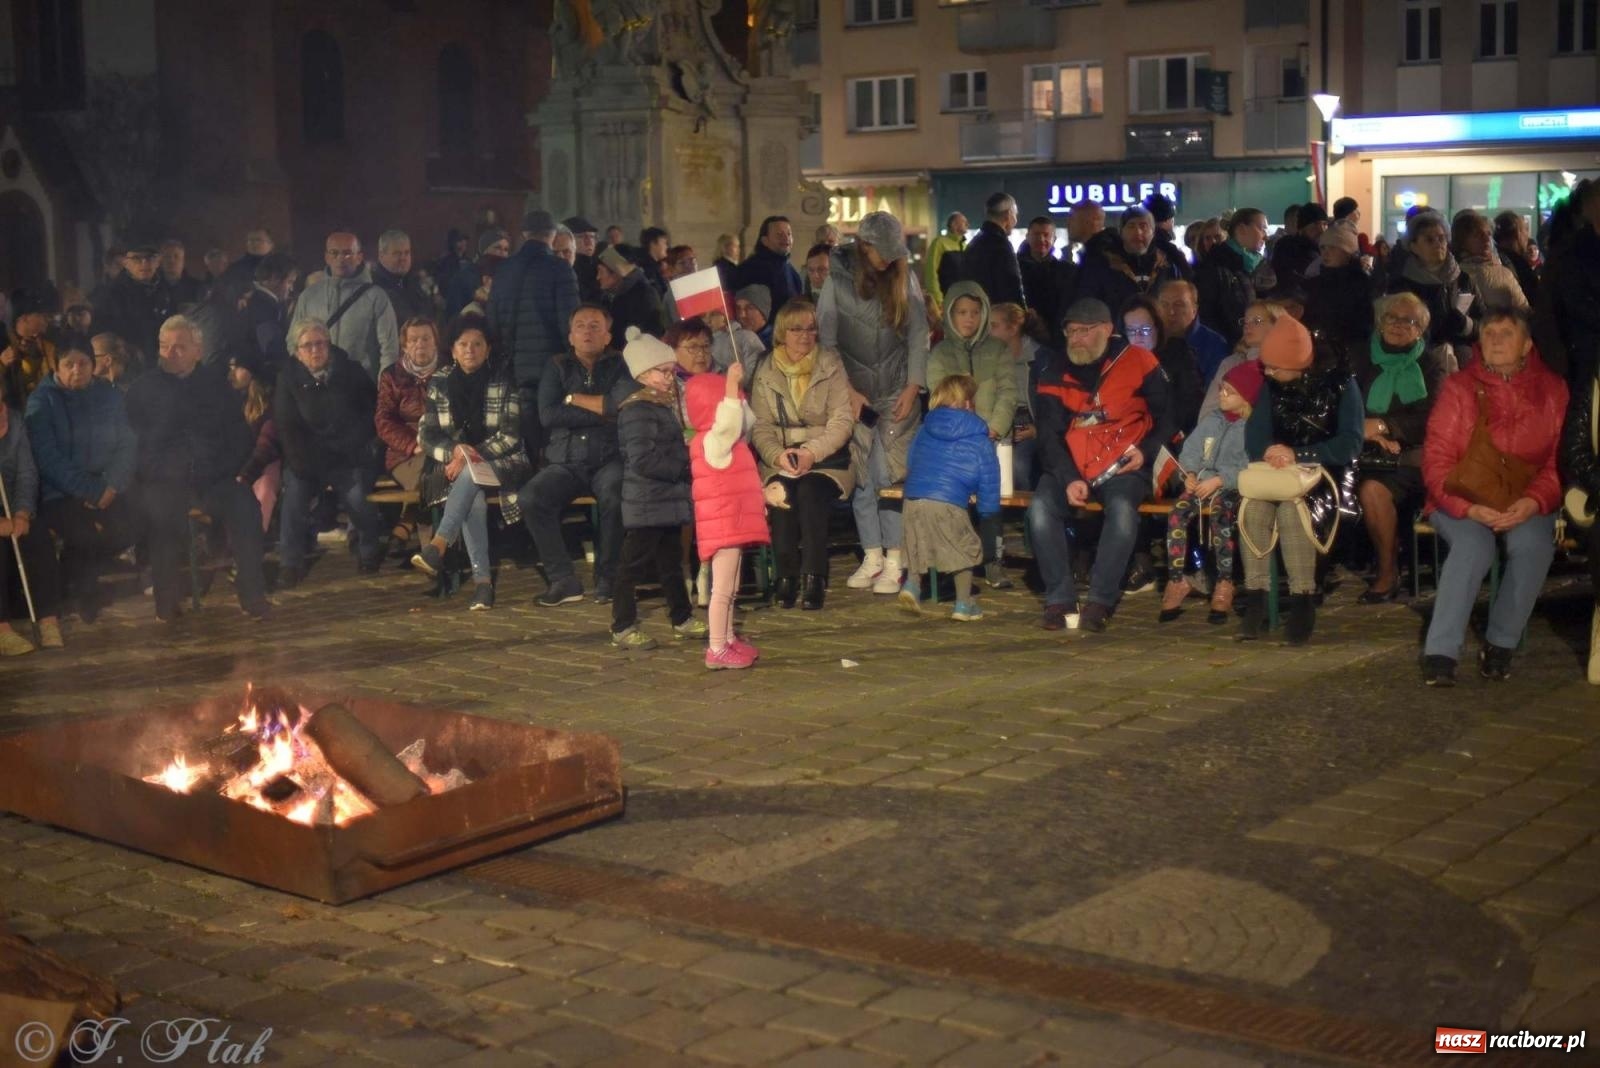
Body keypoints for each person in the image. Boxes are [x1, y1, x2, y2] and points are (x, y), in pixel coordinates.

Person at [1421, 307, 1566, 685]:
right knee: (1474, 548)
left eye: (1507, 333)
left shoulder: (1552, 390)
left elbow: (1558, 461)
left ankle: (1501, 642)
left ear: (1527, 344)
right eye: (1489, 334)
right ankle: (1441, 651)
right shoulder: (1458, 388)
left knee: (1534, 545)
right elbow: (1436, 460)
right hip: (1461, 496)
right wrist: (1468, 508)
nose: (1497, 340)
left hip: (1525, 498)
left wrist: (1534, 501)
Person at [1028, 297, 1174, 632]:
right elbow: (1048, 435)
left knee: (1122, 511)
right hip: (1071, 462)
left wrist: (1146, 452)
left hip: (1124, 462)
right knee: (1039, 510)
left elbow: (1168, 418)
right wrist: (1067, 478)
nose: (1075, 338)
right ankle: (1060, 599)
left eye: (1084, 330)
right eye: (1070, 331)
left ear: (1107, 330)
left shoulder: (1139, 361)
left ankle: (1100, 601)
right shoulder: (1053, 369)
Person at [125, 316, 270, 622]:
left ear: (198, 351)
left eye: (179, 347)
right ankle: (166, 602)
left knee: (246, 508)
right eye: (164, 346)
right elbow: (133, 442)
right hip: (164, 480)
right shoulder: (143, 388)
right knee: (162, 520)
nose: (170, 353)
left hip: (214, 478)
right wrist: (158, 471)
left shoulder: (217, 385)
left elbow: (239, 437)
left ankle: (252, 593)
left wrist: (226, 470)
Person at [818, 211, 929, 596]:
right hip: (854, 392)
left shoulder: (904, 278)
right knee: (863, 476)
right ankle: (872, 554)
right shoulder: (835, 282)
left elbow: (918, 337)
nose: (889, 259)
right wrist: (846, 390)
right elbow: (827, 342)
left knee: (890, 476)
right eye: (883, 252)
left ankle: (896, 557)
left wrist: (914, 386)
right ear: (864, 247)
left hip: (898, 390)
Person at [1237, 315, 1363, 645]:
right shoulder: (1272, 386)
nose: (1268, 373)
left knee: (1296, 512)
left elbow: (1350, 443)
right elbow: (1256, 437)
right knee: (1255, 508)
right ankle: (1256, 596)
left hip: (1327, 472)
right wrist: (1273, 453)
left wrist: (1301, 454)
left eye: (1276, 368)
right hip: (1280, 469)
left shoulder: (1340, 384)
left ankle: (1303, 599)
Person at [411, 324, 529, 611]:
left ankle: (439, 543)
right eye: (463, 344)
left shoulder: (503, 380)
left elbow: (511, 436)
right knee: (472, 496)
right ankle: (483, 584)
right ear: (452, 350)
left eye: (477, 344)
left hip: (501, 462)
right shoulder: (440, 381)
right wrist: (456, 451)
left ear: (487, 349)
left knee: (469, 476)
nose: (470, 350)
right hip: (455, 465)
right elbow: (426, 434)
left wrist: (472, 454)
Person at [520, 305, 633, 605]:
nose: (587, 331)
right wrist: (601, 412)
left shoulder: (622, 364)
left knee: (615, 495)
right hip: (566, 461)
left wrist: (573, 400)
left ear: (607, 335)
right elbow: (548, 414)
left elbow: (619, 406)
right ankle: (563, 579)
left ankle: (607, 577)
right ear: (570, 336)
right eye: (580, 326)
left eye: (595, 325)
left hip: (609, 458)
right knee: (531, 498)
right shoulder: (556, 366)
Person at [749, 298, 855, 610]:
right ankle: (786, 577)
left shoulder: (830, 364)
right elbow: (760, 426)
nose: (805, 336)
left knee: (809, 491)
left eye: (811, 329)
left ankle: (814, 577)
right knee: (781, 493)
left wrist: (811, 451)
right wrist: (778, 456)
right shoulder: (765, 370)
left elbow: (841, 420)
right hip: (780, 458)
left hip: (826, 457)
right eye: (796, 329)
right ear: (782, 333)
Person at [1347, 292, 1454, 603]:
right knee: (1372, 490)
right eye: (1391, 318)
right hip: (1371, 454)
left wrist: (1385, 426)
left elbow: (1432, 415)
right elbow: (1346, 405)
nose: (1397, 325)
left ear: (1420, 329)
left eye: (1408, 321)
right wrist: (1369, 432)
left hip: (1421, 456)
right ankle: (1387, 569)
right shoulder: (1361, 357)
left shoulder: (1432, 363)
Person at [23, 347, 134, 626]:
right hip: (58, 492)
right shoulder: (41, 401)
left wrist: (111, 485)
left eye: (83, 363)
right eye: (68, 364)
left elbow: (127, 444)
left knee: (136, 521)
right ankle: (85, 596)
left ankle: (71, 575)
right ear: (56, 367)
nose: (77, 370)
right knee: (83, 533)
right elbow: (47, 458)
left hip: (106, 486)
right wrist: (90, 490)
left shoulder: (109, 395)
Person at [609, 329, 705, 649]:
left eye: (670, 371)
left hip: (663, 500)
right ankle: (622, 624)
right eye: (664, 371)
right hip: (648, 500)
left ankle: (681, 616)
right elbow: (642, 458)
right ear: (643, 374)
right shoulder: (639, 408)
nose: (670, 377)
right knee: (631, 565)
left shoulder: (658, 405)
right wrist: (682, 468)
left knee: (670, 562)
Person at [274, 320, 385, 586]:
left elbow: (370, 412)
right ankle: (290, 562)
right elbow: (286, 425)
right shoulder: (288, 379)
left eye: (320, 343)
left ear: (330, 344)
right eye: (308, 345)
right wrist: (302, 464)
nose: (315, 350)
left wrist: (354, 445)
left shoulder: (351, 371)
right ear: (297, 351)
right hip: (306, 458)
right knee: (294, 500)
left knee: (358, 499)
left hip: (345, 454)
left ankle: (369, 549)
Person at [927, 281, 1018, 587]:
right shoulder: (939, 354)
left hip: (991, 439)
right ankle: (956, 561)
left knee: (990, 498)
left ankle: (993, 560)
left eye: (975, 312)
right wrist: (968, 434)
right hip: (953, 444)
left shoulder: (999, 350)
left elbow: (1008, 392)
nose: (969, 319)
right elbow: (940, 400)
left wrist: (994, 427)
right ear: (950, 315)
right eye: (962, 312)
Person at [1161, 361, 1261, 623]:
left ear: (1246, 397)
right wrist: (1190, 474)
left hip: (1231, 487)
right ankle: (1176, 579)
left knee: (1221, 515)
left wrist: (1220, 480)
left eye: (1229, 391)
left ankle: (1225, 581)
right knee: (1178, 513)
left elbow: (1248, 465)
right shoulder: (1212, 420)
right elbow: (1192, 449)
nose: (1222, 395)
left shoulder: (1251, 427)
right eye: (1221, 389)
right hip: (1202, 483)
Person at [896, 373, 1001, 622]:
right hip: (948, 500)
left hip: (914, 497)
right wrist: (989, 515)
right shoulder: (979, 438)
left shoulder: (924, 429)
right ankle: (964, 604)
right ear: (966, 403)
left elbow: (910, 462)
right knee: (963, 548)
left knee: (917, 542)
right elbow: (988, 481)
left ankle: (912, 585)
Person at [684, 363, 769, 668]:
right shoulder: (713, 441)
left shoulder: (731, 443)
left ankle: (729, 639)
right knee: (721, 591)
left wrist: (739, 396)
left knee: (731, 588)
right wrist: (732, 387)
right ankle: (716, 648)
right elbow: (730, 422)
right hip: (723, 527)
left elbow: (741, 421)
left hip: (733, 524)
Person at [490, 209, 582, 459]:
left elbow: (493, 322)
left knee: (524, 435)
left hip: (514, 368)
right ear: (553, 235)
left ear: (524, 233)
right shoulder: (560, 269)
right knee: (552, 435)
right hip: (551, 367)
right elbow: (571, 324)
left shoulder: (504, 270)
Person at [0, 377, 63, 652]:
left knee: (37, 537)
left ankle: (48, 620)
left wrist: (22, 513)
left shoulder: (14, 421)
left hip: (11, 508)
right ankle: (2, 628)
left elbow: (26, 472)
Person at [288, 232, 400, 382]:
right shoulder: (309, 296)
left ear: (359, 257)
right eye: (334, 253)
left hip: (361, 386)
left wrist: (384, 390)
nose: (340, 258)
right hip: (317, 388)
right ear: (326, 257)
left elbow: (389, 349)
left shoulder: (376, 297)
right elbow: (293, 341)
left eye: (347, 253)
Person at [375, 318, 442, 550]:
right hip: (405, 454)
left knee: (435, 477)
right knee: (428, 480)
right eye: (413, 340)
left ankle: (406, 523)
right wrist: (413, 445)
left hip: (443, 447)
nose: (420, 345)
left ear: (435, 342)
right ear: (404, 346)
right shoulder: (392, 376)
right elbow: (384, 421)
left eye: (426, 338)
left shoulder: (449, 371)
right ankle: (431, 550)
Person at [1386, 211, 1479, 361]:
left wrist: (1466, 325)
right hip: (1419, 359)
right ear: (1414, 246)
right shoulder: (1402, 286)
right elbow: (1395, 329)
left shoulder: (1463, 280)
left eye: (1441, 238)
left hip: (1462, 359)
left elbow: (1484, 321)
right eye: (1429, 240)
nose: (1438, 244)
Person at [1076, 205, 1188, 316]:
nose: (1138, 232)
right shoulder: (1103, 266)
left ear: (1153, 233)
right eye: (1131, 226)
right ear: (1121, 232)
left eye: (1143, 226)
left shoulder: (1168, 267)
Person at [1122, 294, 1202, 438]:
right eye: (1132, 331)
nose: (1138, 336)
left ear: (1158, 327)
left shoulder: (1178, 353)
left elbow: (1188, 403)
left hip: (1170, 434)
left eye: (1145, 329)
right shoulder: (1119, 360)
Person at [988, 303, 1048, 490]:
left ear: (1012, 328)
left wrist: (1038, 429)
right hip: (1001, 422)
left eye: (994, 326)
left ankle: (1022, 513)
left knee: (1018, 465)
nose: (988, 332)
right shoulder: (990, 358)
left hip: (1031, 425)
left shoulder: (1041, 358)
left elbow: (1052, 403)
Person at [94, 241, 176, 371]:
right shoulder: (112, 295)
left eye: (150, 257)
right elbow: (104, 336)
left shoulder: (168, 290)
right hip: (128, 367)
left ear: (158, 261)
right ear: (126, 263)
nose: (144, 263)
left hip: (164, 363)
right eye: (137, 258)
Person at [1199, 298, 1286, 420]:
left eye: (1256, 321)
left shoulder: (1287, 366)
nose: (1247, 326)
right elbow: (1207, 413)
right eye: (1245, 321)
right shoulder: (1232, 363)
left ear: (1276, 325)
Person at [1197, 208, 1271, 348]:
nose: (1266, 236)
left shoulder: (1254, 266)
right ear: (1242, 229)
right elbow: (1207, 316)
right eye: (1262, 229)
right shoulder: (1216, 266)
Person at [228, 349, 280, 533]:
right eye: (230, 367)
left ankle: (253, 542)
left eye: (237, 367)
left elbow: (266, 446)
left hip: (265, 462)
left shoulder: (270, 401)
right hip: (240, 462)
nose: (231, 373)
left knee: (264, 489)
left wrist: (245, 474)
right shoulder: (230, 401)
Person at [1302, 221, 1374, 351]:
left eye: (1333, 247)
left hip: (1352, 353)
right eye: (1323, 248)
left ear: (1347, 252)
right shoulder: (1315, 283)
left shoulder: (1361, 284)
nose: (1326, 253)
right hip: (1319, 351)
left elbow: (1365, 324)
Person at [1155, 279, 1230, 387]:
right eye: (1164, 305)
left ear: (1194, 310)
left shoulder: (1214, 345)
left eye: (1179, 305)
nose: (1171, 312)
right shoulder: (1151, 339)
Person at [1017, 216, 1076, 350]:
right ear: (1027, 237)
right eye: (1036, 234)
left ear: (1054, 239)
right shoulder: (1015, 269)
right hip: (1023, 337)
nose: (1041, 239)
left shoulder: (1067, 270)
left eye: (1046, 235)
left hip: (1057, 338)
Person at [1452, 211, 1527, 312]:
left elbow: (1523, 308)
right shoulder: (1454, 274)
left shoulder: (1504, 271)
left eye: (1488, 234)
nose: (1486, 239)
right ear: (1463, 241)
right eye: (1478, 235)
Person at [960, 194, 1024, 307]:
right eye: (1015, 214)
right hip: (998, 316)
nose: (1016, 219)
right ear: (1008, 215)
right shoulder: (1001, 245)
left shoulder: (974, 243)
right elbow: (1012, 286)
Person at [596, 246, 666, 347]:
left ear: (616, 272)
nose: (597, 277)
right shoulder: (611, 296)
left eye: (600, 271)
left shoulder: (644, 295)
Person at [241, 252, 299, 364]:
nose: (291, 288)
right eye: (290, 282)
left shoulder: (257, 299)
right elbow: (273, 349)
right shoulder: (263, 306)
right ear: (275, 278)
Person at [737, 216, 804, 310]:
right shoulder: (752, 269)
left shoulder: (789, 268)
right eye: (779, 234)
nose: (786, 238)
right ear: (765, 241)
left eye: (789, 234)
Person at [371, 229, 434, 327]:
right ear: (381, 255)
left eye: (407, 253)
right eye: (397, 253)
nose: (403, 258)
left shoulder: (413, 282)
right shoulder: (373, 288)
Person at [1269, 202, 1329, 294]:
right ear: (1302, 228)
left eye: (1325, 224)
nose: (1321, 229)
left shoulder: (1321, 248)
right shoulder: (1288, 247)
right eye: (1315, 224)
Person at [1, 312, 58, 403]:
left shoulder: (50, 350)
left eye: (30, 339)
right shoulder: (7, 352)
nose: (23, 343)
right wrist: (2, 364)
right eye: (19, 338)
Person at [924, 212, 968, 317]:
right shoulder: (939, 243)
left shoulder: (965, 246)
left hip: (962, 302)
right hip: (945, 301)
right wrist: (938, 300)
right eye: (964, 222)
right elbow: (931, 272)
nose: (967, 224)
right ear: (954, 224)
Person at [1493, 210, 1540, 306]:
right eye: (1525, 229)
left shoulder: (1495, 259)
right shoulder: (1517, 264)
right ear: (1518, 234)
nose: (1527, 235)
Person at [564, 216, 603, 302]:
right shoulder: (568, 267)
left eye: (592, 236)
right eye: (581, 236)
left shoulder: (598, 263)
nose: (589, 242)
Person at [159, 240, 204, 308]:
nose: (171, 260)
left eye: (176, 256)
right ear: (161, 261)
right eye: (167, 256)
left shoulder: (197, 288)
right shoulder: (152, 288)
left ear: (183, 261)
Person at [735, 284, 774, 350]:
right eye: (738, 308)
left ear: (763, 312)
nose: (742, 315)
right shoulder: (736, 340)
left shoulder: (777, 343)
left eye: (750, 308)